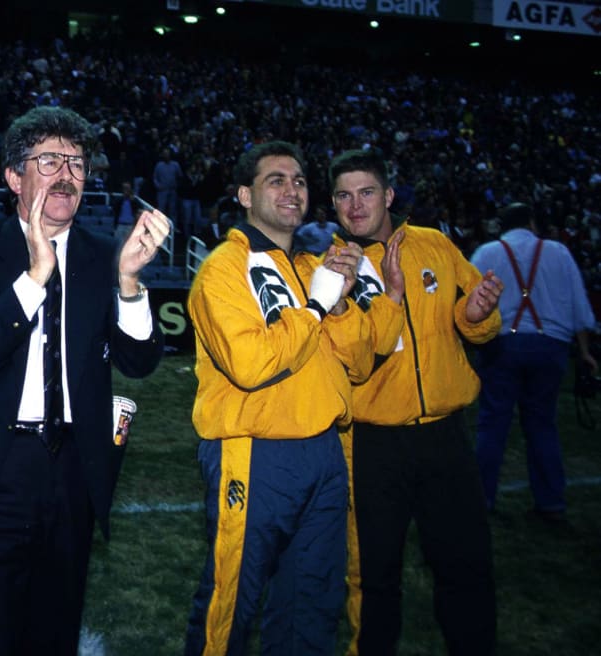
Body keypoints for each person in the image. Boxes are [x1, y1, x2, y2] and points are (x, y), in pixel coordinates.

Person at [0, 106, 170, 655]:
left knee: (53, 630)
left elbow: (138, 362)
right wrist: (36, 275)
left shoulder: (102, 256)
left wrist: (131, 283)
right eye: (49, 161)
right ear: (15, 177)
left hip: (70, 474)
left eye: (77, 162)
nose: (67, 174)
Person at [183, 141, 374, 656]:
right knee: (231, 603)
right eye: (276, 180)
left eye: (299, 181)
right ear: (245, 194)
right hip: (255, 452)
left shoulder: (315, 265)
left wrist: (338, 304)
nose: (293, 190)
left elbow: (358, 364)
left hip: (326, 453)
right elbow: (251, 365)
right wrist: (315, 305)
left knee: (312, 603)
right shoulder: (224, 268)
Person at [328, 148, 504, 656]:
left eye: (366, 192)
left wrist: (475, 314)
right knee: (375, 575)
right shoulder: (336, 267)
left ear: (388, 195)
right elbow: (347, 359)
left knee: (465, 564)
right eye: (344, 194)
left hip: (445, 436)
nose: (355, 205)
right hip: (373, 442)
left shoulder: (435, 245)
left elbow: (477, 321)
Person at [470, 202, 598, 521]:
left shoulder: (487, 253)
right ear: (531, 223)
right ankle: (551, 501)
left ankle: (481, 499)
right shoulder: (558, 252)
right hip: (550, 344)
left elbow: (468, 302)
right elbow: (579, 306)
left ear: (501, 225)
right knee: (542, 424)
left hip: (502, 343)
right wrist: (584, 352)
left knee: (493, 421)